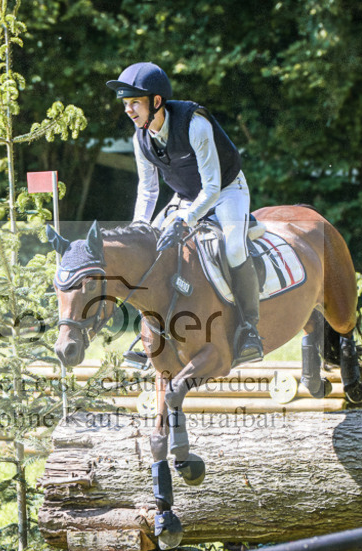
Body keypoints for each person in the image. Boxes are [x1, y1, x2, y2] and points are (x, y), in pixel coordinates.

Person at [107, 61, 262, 365]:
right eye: (125, 104)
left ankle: (248, 329)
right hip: (187, 196)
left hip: (227, 191)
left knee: (233, 248)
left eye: (134, 102)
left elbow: (213, 187)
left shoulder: (194, 124)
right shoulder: (141, 137)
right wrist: (140, 228)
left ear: (156, 102)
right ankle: (149, 332)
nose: (128, 110)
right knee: (150, 249)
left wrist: (186, 219)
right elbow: (148, 190)